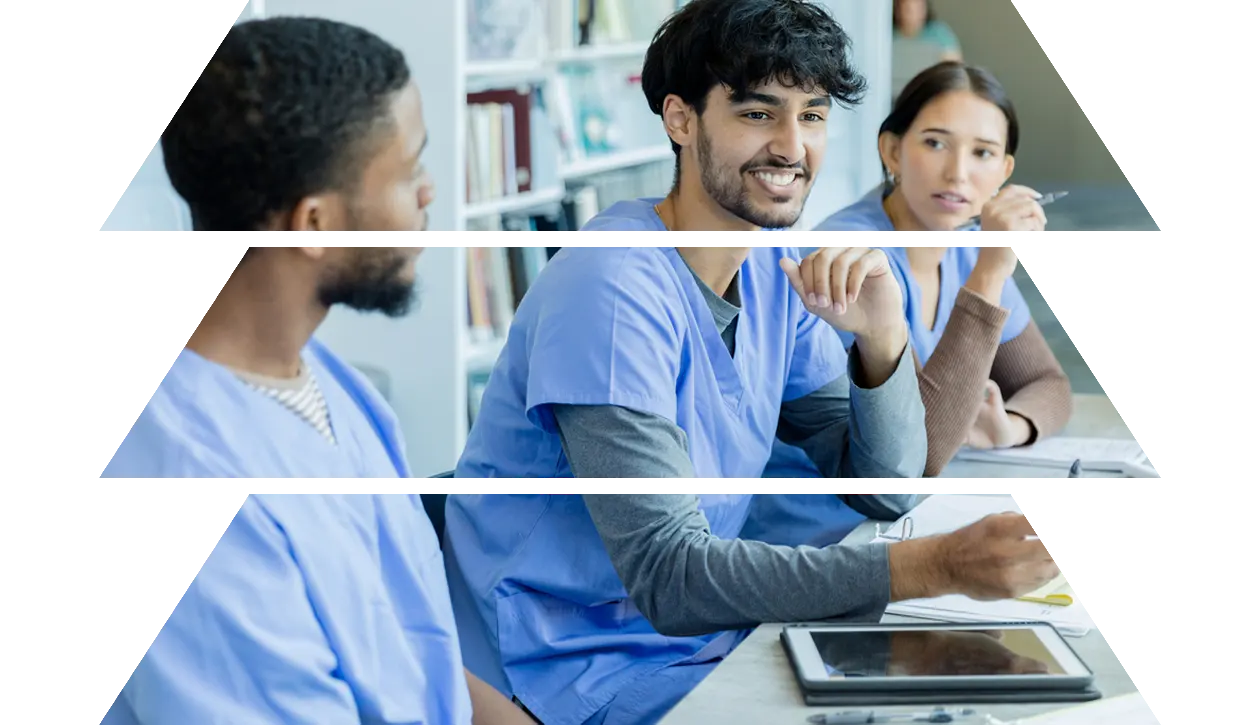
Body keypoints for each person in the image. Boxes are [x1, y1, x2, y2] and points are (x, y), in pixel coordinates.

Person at [444, 3, 1060, 725]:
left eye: (814, 116)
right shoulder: (611, 283)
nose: (792, 147)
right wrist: (935, 566)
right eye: (758, 114)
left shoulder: (772, 274)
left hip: (705, 641)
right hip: (580, 667)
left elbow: (885, 489)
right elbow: (669, 575)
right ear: (680, 120)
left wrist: (882, 338)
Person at [99, 18, 532, 726]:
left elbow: (416, 664)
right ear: (314, 223)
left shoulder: (328, 384)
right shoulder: (190, 477)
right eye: (409, 171)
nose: (429, 196)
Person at [760, 62, 1072, 507]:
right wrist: (990, 274)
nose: (958, 174)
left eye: (982, 153)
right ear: (891, 151)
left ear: (1004, 171)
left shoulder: (967, 244)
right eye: (935, 143)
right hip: (826, 525)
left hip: (907, 515)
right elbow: (916, 458)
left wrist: (1011, 425)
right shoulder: (850, 254)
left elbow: (1048, 382)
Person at [892, 0, 962, 98]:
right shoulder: (887, 35)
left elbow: (953, 71)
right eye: (906, 7)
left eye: (917, 6)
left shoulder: (940, 34)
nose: (911, 12)